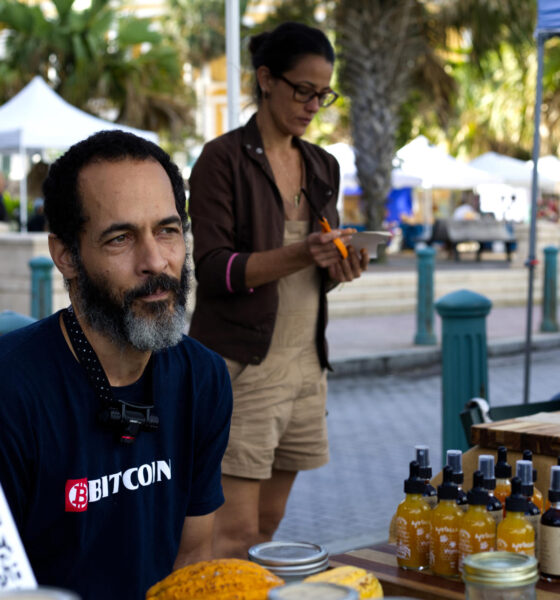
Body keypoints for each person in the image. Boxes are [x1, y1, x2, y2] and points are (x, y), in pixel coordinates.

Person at [0, 130, 233, 600]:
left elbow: (192, 557)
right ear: (65, 256)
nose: (155, 262)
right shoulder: (12, 390)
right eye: (120, 238)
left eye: (167, 231)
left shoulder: (203, 379)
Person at [188, 21, 369, 558]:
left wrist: (341, 265)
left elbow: (313, 268)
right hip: (243, 367)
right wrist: (301, 253)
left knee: (267, 529)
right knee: (231, 535)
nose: (315, 105)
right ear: (266, 79)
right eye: (304, 90)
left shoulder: (321, 165)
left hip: (305, 367)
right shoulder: (222, 160)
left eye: (324, 94)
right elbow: (214, 269)